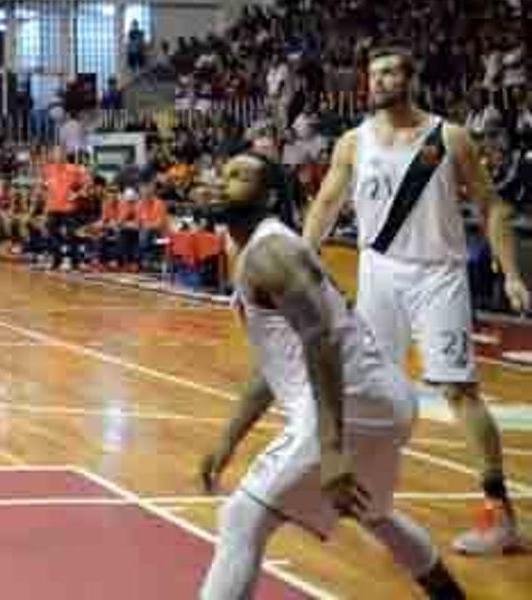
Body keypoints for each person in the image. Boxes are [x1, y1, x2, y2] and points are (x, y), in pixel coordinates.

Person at [196, 155, 465, 600]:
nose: (224, 182)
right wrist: (230, 438)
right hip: (380, 398)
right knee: (373, 512)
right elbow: (277, 361)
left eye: (239, 176)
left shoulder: (271, 254)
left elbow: (321, 343)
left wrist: (332, 448)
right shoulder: (257, 250)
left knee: (243, 518)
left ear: (266, 196)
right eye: (222, 172)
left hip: (353, 397)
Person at [303, 46, 531, 554]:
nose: (379, 81)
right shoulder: (352, 143)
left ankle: (501, 518)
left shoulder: (448, 137)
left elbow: (492, 207)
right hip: (379, 271)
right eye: (374, 74)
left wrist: (511, 273)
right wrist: (302, 258)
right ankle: (368, 501)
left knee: (458, 391)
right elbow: (325, 203)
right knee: (370, 390)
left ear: (411, 78)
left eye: (389, 72)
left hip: (438, 275)